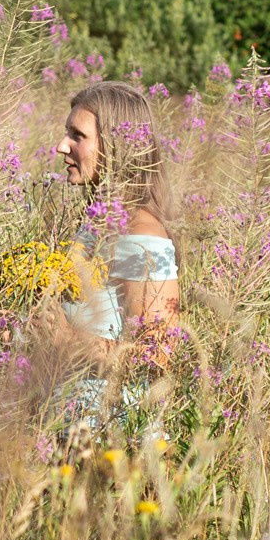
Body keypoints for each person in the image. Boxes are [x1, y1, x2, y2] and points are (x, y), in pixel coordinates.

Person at [38, 82, 179, 441]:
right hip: (73, 428)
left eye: (78, 135)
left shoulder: (142, 236)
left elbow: (155, 356)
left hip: (112, 440)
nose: (61, 146)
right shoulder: (100, 223)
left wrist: (68, 341)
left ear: (116, 146)